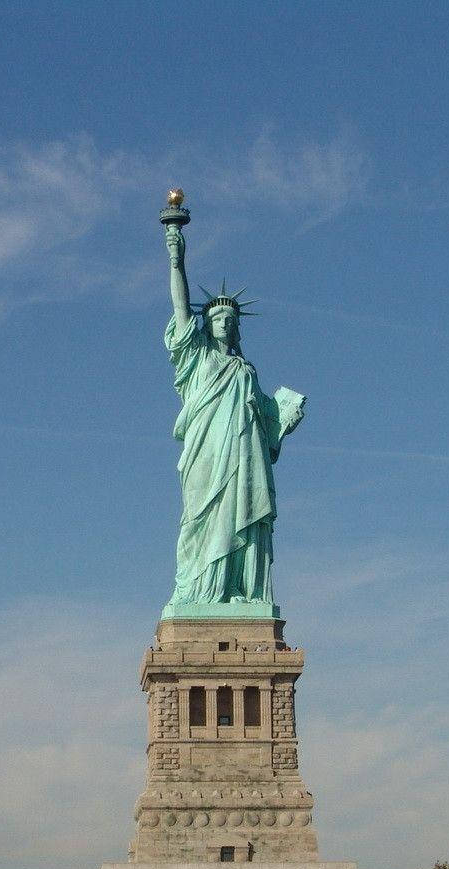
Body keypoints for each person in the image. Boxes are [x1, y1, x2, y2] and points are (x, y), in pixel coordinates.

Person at [162, 220, 305, 610]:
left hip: (245, 456)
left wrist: (284, 417)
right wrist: (176, 259)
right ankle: (202, 591)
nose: (224, 322)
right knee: (200, 520)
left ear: (237, 327)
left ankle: (239, 589)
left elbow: (266, 421)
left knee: (242, 512)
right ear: (206, 326)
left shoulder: (246, 370)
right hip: (206, 453)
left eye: (230, 319)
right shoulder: (196, 359)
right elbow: (179, 307)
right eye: (216, 319)